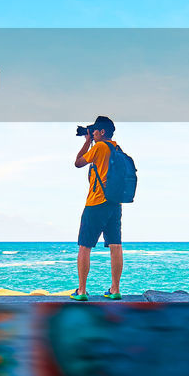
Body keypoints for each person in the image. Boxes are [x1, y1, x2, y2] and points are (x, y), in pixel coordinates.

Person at [72, 115, 123, 300]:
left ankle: (82, 291)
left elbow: (78, 162)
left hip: (96, 203)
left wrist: (87, 142)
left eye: (94, 131)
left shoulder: (99, 147)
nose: (92, 133)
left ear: (102, 132)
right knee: (115, 245)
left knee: (84, 246)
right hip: (114, 203)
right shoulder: (116, 147)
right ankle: (115, 289)